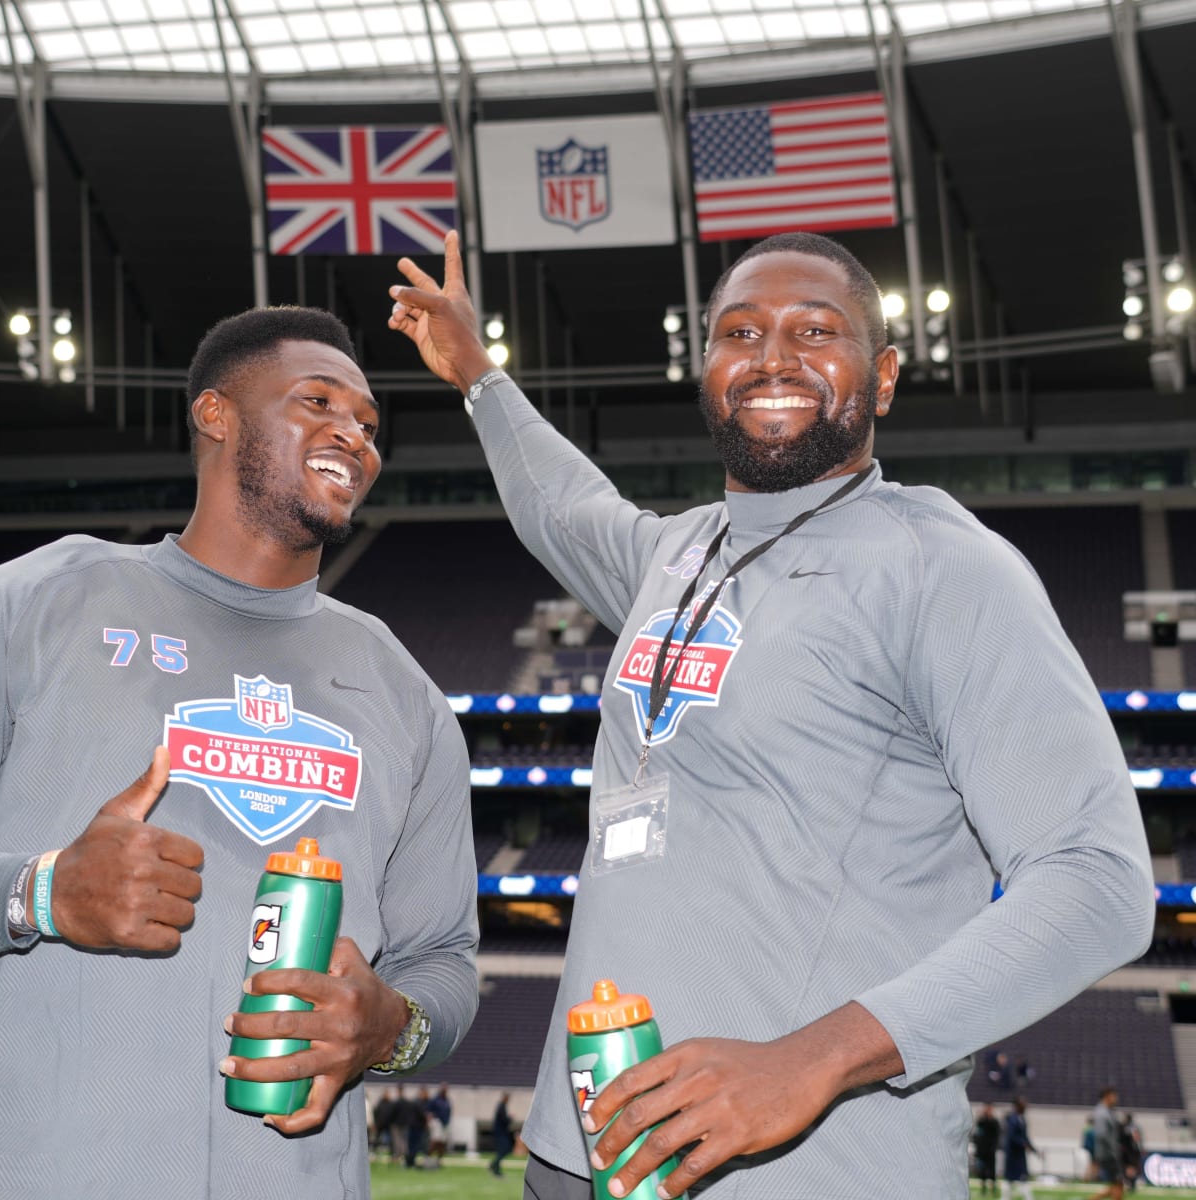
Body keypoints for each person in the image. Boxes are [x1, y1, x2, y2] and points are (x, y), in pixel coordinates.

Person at [387, 230, 1155, 1199]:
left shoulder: (944, 568)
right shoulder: (677, 555)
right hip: (577, 1152)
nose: (773, 356)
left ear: (882, 379)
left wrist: (815, 1059)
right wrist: (478, 375)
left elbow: (1098, 882)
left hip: (801, 1170)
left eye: (814, 330)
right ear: (707, 371)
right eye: (740, 332)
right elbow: (562, 503)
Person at [0, 306, 479, 1198]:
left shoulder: (404, 691)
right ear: (215, 415)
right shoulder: (40, 602)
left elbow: (444, 960)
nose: (355, 436)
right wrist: (41, 893)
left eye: (371, 425)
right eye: (319, 401)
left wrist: (390, 1025)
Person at [1090, 1087, 1125, 1199]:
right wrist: (1112, 1149)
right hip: (1108, 1154)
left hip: (1110, 1153)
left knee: (1118, 1183)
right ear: (1107, 1096)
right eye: (1114, 1096)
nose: (1116, 1099)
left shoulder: (1108, 1112)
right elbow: (1101, 1134)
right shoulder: (1101, 1113)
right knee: (1118, 1182)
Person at [1002, 1098, 1036, 1200]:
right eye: (1023, 1104)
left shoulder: (1022, 1119)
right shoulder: (1012, 1119)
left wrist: (1034, 1150)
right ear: (1016, 1106)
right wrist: (1024, 1144)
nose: (1025, 1106)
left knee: (1021, 1177)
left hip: (1020, 1154)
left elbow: (1025, 1137)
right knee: (1011, 1178)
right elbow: (1012, 1137)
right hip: (1013, 1154)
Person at [973, 1103, 1001, 1195]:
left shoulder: (994, 1122)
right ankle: (983, 1188)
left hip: (991, 1150)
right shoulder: (982, 1121)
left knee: (992, 1170)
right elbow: (977, 1132)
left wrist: (994, 1147)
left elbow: (997, 1135)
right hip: (982, 1150)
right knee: (982, 1171)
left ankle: (993, 1188)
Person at [491, 1091, 516, 1177]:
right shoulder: (501, 1106)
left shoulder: (502, 1106)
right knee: (503, 1150)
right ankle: (495, 1167)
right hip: (501, 1133)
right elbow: (504, 1120)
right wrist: (510, 1118)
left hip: (502, 1132)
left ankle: (494, 1166)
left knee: (503, 1151)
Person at [427, 1082, 453, 1161]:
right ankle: (428, 1158)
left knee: (442, 1143)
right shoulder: (435, 1099)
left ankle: (439, 1160)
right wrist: (430, 1122)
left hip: (445, 1123)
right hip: (437, 1121)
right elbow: (429, 1111)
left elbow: (449, 1111)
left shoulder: (447, 1100)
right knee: (435, 1141)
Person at [1120, 1111, 1143, 1191]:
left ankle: (1130, 1183)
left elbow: (1135, 1138)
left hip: (1128, 1151)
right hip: (1132, 1150)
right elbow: (1138, 1139)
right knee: (1131, 1167)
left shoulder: (1125, 1127)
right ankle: (1131, 1183)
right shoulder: (1134, 1127)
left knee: (1129, 1168)